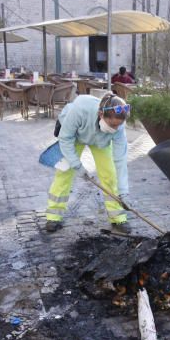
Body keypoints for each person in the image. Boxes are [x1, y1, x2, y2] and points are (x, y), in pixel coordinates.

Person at [45, 92, 132, 234]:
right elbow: (65, 139)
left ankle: (118, 217)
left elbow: (120, 160)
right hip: (75, 136)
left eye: (118, 126)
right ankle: (53, 216)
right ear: (100, 114)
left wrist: (124, 192)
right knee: (64, 173)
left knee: (110, 174)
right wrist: (76, 165)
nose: (115, 129)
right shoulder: (79, 110)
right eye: (112, 125)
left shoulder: (118, 126)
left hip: (100, 140)